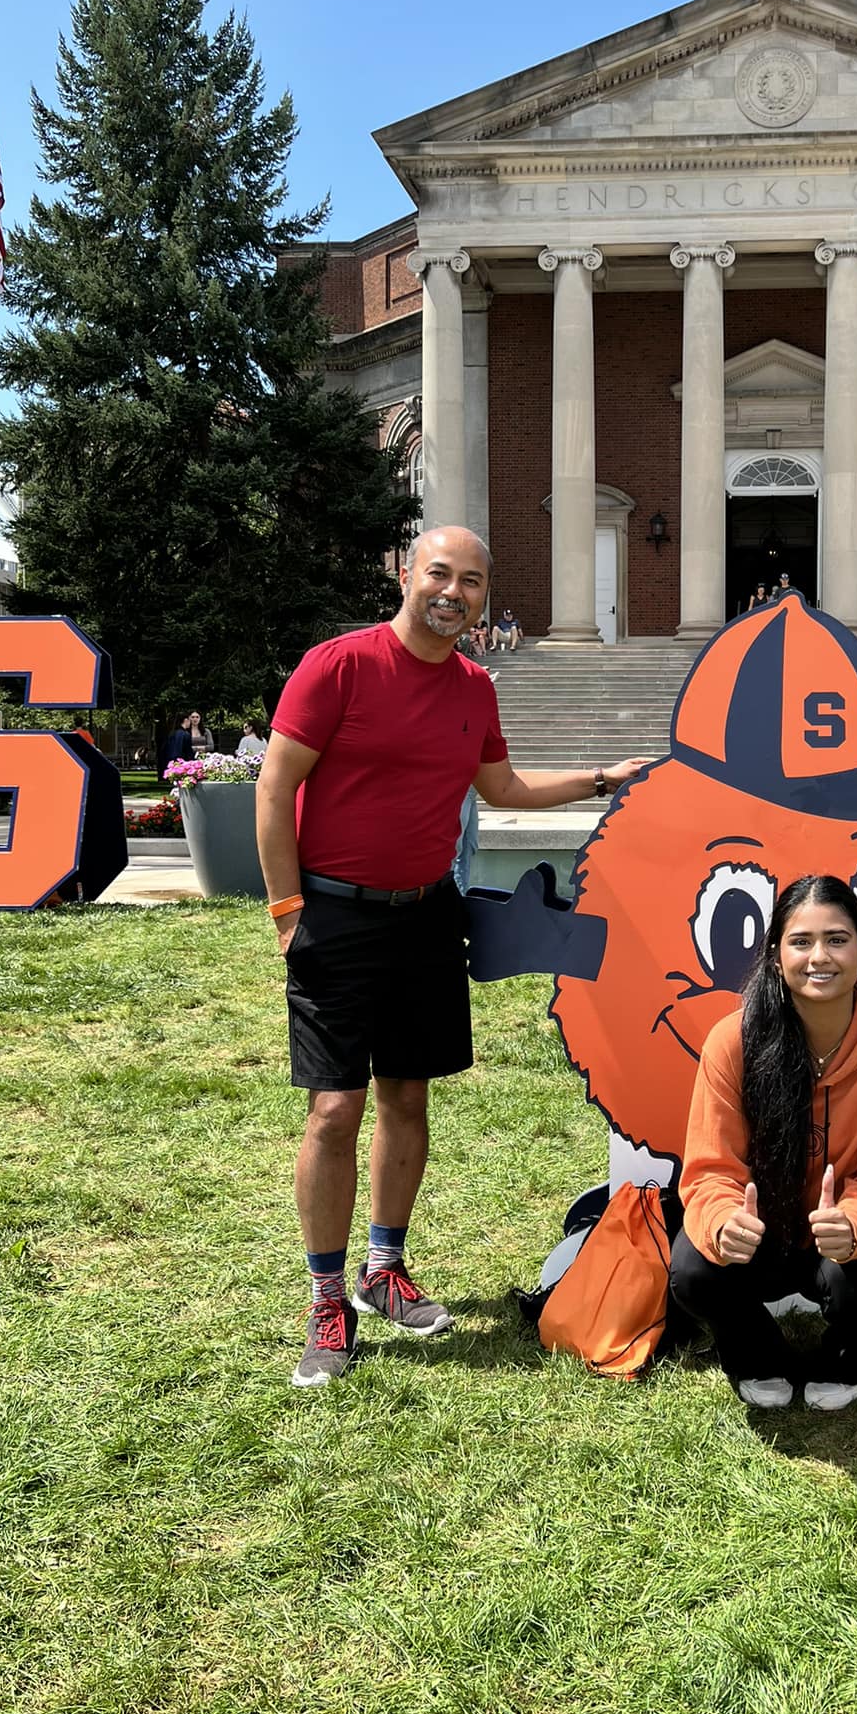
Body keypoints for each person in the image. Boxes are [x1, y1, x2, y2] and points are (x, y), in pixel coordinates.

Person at [257, 525, 647, 1388]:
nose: (454, 592)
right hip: (335, 916)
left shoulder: (474, 685)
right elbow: (276, 783)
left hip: (428, 916)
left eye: (471, 582)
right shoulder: (339, 666)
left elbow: (500, 789)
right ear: (405, 575)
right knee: (334, 1109)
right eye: (440, 573)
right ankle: (327, 1299)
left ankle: (383, 1270)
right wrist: (289, 912)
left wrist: (599, 779)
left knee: (407, 1097)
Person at [668, 874, 857, 1412]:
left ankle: (851, 1355)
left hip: (839, 1240)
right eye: (801, 941)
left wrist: (854, 1224)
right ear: (775, 956)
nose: (820, 956)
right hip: (760, 1233)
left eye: (837, 939)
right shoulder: (732, 1041)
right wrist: (724, 1221)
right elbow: (708, 1170)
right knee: (695, 1271)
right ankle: (753, 1354)